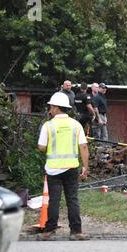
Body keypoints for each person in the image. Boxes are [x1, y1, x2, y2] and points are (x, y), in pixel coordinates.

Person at [37, 92, 89, 241]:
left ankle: (49, 229)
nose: (49, 110)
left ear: (55, 107)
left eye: (51, 107)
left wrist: (50, 148)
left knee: (54, 200)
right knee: (72, 199)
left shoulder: (48, 126)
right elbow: (83, 147)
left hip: (53, 169)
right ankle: (76, 231)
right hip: (72, 168)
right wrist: (85, 167)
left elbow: (41, 146)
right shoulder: (75, 124)